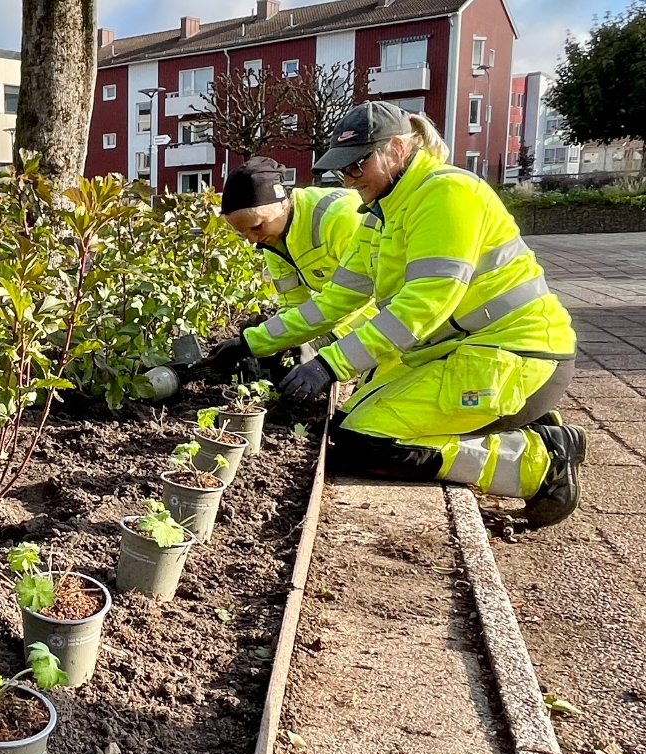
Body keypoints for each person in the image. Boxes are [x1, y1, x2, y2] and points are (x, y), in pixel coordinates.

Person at [204, 101, 586, 527]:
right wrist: (250, 341)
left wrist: (331, 365)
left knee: (364, 443)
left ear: (399, 149)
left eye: (357, 165)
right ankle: (521, 427)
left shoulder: (448, 194)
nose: (349, 178)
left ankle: (542, 462)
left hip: (519, 356)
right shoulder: (381, 214)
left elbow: (423, 304)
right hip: (465, 357)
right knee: (347, 425)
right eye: (343, 169)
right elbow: (335, 299)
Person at [219, 156, 371, 357]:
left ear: (282, 203)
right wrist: (281, 344)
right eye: (242, 233)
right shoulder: (273, 240)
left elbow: (358, 296)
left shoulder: (341, 217)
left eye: (256, 226)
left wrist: (325, 342)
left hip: (394, 321)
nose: (251, 240)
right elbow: (293, 303)